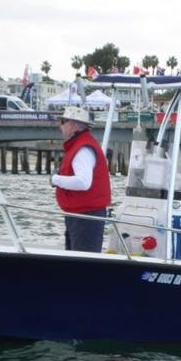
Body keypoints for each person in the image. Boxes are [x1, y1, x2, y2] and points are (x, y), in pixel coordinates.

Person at [51, 106, 111, 252]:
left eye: (63, 122)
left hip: (85, 217)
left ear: (72, 125)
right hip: (80, 215)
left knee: (83, 260)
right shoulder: (81, 146)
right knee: (77, 260)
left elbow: (83, 182)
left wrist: (55, 179)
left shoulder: (83, 149)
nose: (60, 127)